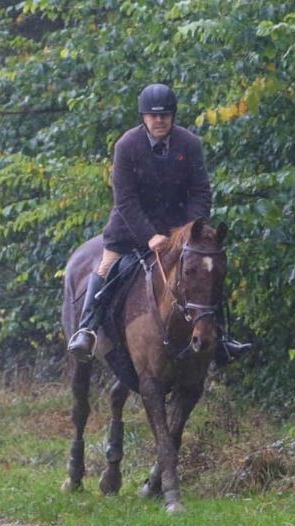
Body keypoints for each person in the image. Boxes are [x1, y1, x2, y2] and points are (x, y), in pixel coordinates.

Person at [66, 83, 251, 366]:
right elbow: (125, 199)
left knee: (204, 272)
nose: (159, 120)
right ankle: (86, 329)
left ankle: (223, 337)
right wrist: (149, 235)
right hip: (129, 231)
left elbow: (201, 191)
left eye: (165, 115)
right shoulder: (126, 146)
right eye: (153, 116)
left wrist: (191, 230)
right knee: (105, 268)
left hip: (178, 231)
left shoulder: (189, 144)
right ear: (143, 117)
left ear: (173, 116)